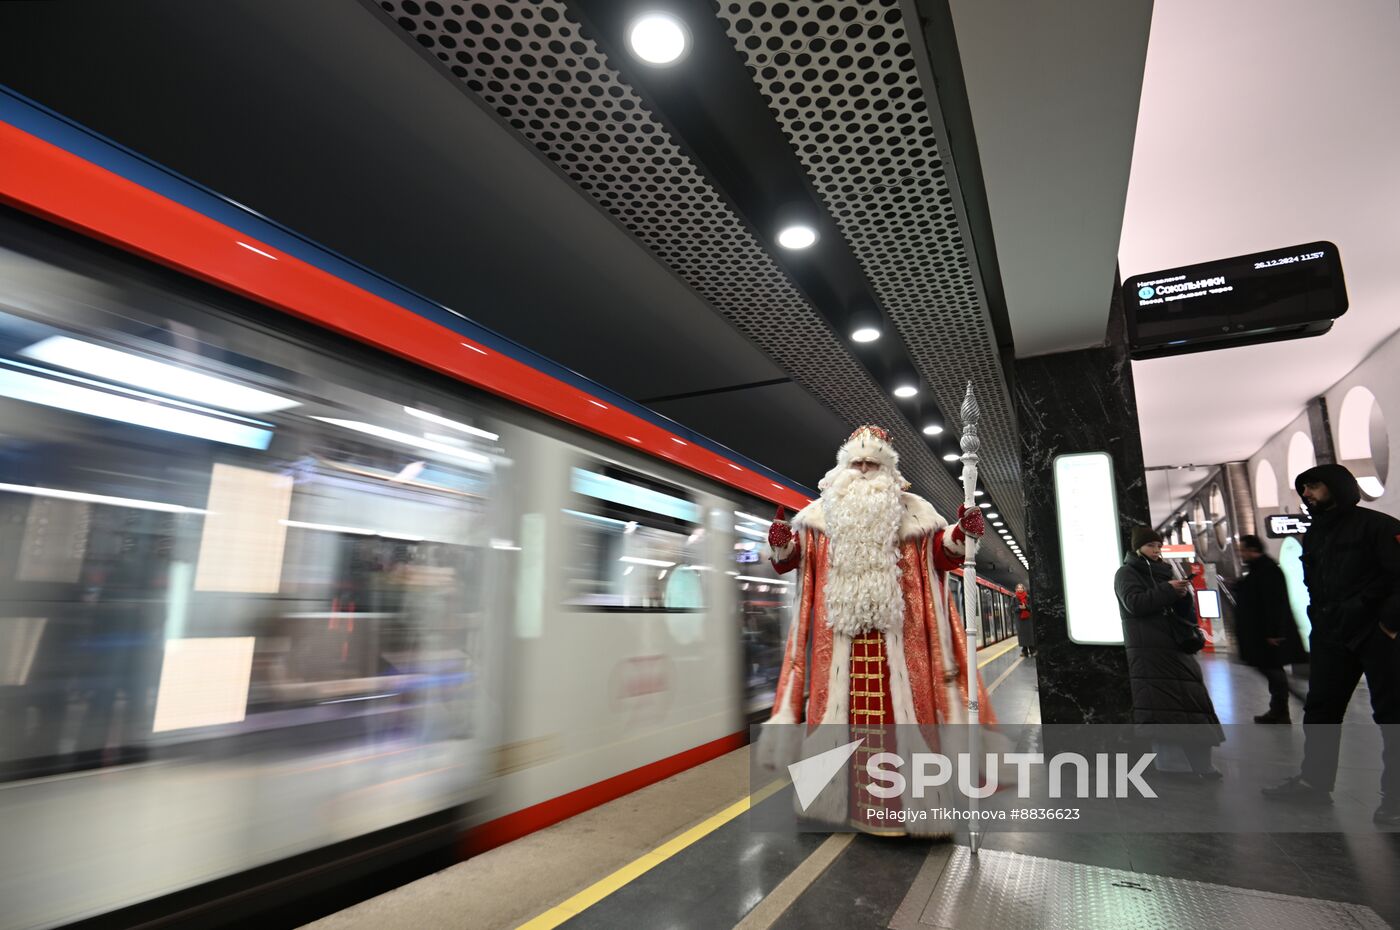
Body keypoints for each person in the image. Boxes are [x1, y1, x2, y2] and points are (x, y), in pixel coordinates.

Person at [761, 424, 992, 828]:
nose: (864, 469)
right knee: (838, 725)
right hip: (838, 647)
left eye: (872, 462)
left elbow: (942, 553)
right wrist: (781, 542)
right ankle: (834, 806)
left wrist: (963, 534)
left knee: (903, 725)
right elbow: (791, 560)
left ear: (888, 469)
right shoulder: (819, 518)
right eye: (857, 463)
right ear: (843, 468)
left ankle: (908, 813)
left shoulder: (916, 514)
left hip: (901, 645)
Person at [1261, 464, 1400, 827]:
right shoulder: (1316, 533)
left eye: (1313, 486)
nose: (1306, 494)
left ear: (1337, 486)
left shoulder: (1378, 526)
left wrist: (1389, 625)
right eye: (1303, 488)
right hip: (1331, 635)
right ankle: (1313, 782)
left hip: (1375, 633)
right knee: (1321, 712)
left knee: (1392, 715)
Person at [1115, 527, 1224, 779]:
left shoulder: (1165, 572)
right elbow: (1134, 603)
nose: (1156, 551)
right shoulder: (1126, 573)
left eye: (1158, 546)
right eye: (1151, 546)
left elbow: (1175, 609)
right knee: (1163, 708)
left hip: (1176, 646)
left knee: (1193, 703)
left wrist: (1182, 594)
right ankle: (1173, 766)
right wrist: (1168, 591)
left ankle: (1202, 764)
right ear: (1137, 547)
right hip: (1149, 651)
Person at [1233, 534, 1306, 723]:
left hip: (1267, 635)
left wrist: (1274, 632)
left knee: (1273, 669)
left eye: (1242, 550)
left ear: (1252, 550)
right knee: (1272, 669)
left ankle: (1283, 709)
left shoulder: (1267, 570)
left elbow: (1275, 603)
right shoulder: (1259, 569)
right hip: (1261, 634)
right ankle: (1280, 709)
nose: (1240, 554)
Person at [1015, 583, 1035, 657]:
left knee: (1029, 634)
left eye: (1021, 588)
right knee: (1023, 635)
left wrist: (1026, 607)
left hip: (1028, 619)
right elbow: (1012, 609)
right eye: (1018, 588)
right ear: (1016, 589)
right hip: (1020, 619)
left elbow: (1032, 607)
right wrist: (1019, 608)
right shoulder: (1014, 598)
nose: (1020, 589)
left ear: (1024, 589)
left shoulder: (1028, 597)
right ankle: (1024, 651)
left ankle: (1032, 650)